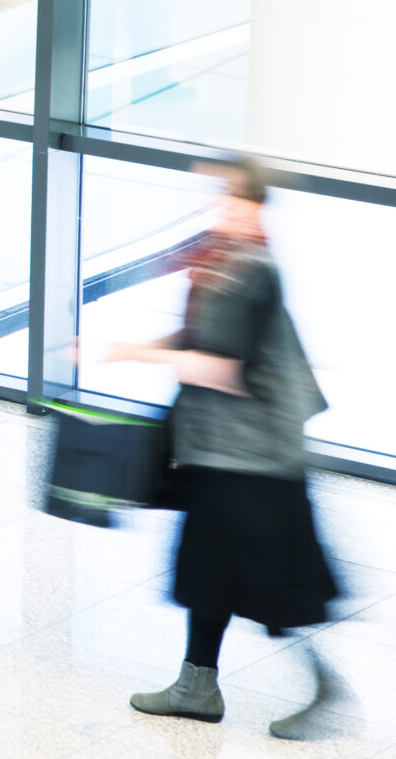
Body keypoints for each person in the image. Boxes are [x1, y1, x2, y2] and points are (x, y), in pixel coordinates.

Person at [104, 160, 345, 740]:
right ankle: (197, 686)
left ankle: (327, 689)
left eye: (235, 200)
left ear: (256, 207)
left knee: (273, 585)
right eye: (221, 197)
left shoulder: (253, 270)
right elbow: (197, 338)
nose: (223, 208)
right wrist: (132, 345)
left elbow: (222, 368)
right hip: (224, 451)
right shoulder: (221, 263)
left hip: (255, 457)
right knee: (211, 571)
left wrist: (131, 356)